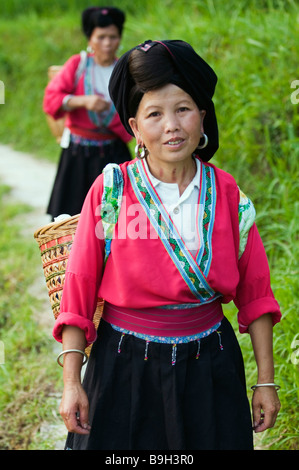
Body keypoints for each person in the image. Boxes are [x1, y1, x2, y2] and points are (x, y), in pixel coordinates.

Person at [52, 40, 282, 450]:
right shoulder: (111, 191)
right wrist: (71, 382)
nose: (172, 126)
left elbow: (257, 295)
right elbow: (79, 289)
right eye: (154, 114)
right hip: (122, 367)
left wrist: (265, 380)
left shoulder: (228, 195)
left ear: (202, 117)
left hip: (210, 367)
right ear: (135, 128)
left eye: (183, 109)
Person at [43, 6, 132, 220]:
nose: (107, 43)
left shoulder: (125, 69)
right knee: (74, 216)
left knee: (115, 217)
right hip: (79, 154)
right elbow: (52, 99)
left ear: (120, 38)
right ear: (90, 39)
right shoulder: (78, 65)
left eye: (113, 37)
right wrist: (84, 101)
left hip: (114, 153)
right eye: (101, 37)